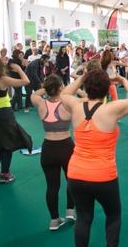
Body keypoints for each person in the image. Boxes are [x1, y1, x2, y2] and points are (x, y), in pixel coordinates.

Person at [62, 69, 128, 247]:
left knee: (83, 218)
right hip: (103, 176)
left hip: (76, 174)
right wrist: (122, 79)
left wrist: (83, 77)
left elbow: (65, 93)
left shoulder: (76, 106)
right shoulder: (111, 109)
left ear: (86, 86)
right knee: (113, 216)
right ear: (107, 89)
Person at [31, 74, 80, 230]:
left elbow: (34, 94)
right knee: (71, 181)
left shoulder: (40, 103)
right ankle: (71, 211)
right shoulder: (68, 104)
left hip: (48, 150)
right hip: (66, 148)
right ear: (61, 87)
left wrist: (46, 88)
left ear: (47, 89)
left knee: (52, 187)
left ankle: (54, 220)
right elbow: (83, 97)